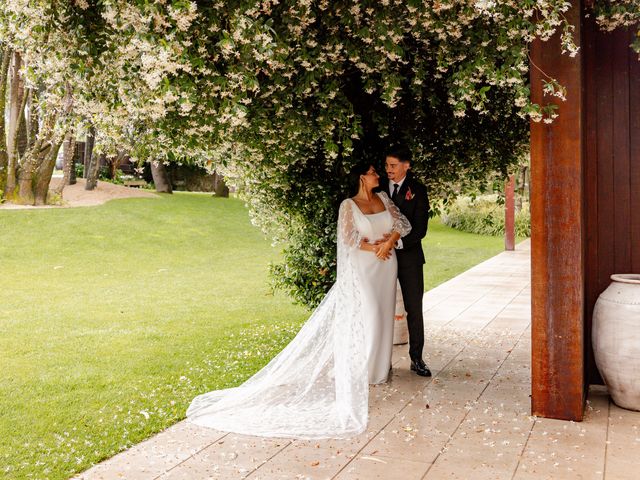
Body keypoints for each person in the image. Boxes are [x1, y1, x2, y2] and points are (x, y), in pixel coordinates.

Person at [186, 163, 411, 439]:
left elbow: (401, 223)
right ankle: (362, 371)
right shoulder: (348, 206)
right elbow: (347, 239)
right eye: (374, 172)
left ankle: (379, 370)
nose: (379, 175)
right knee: (371, 314)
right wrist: (374, 246)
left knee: (384, 313)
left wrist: (389, 243)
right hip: (365, 266)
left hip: (387, 265)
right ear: (362, 177)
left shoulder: (384, 199)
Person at [377, 146, 432, 377]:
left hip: (410, 257)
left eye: (393, 165)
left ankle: (416, 358)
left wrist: (396, 243)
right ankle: (381, 360)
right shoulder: (377, 188)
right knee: (381, 307)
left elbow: (420, 229)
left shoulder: (418, 190)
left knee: (414, 308)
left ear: (406, 165)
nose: (388, 170)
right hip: (382, 258)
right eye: (387, 165)